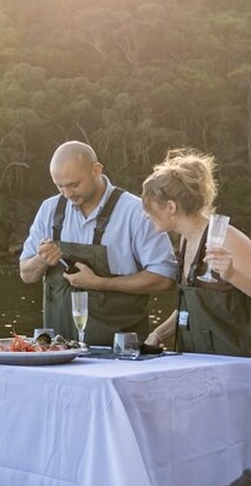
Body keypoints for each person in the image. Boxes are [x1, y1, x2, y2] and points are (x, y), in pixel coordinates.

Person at [140, 149, 251, 385]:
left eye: (148, 206)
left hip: (241, 377)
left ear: (171, 207)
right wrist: (158, 334)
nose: (145, 214)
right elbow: (192, 306)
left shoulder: (226, 238)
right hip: (202, 373)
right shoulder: (184, 240)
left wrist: (233, 275)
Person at [19, 140, 177, 345]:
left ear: (96, 169)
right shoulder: (49, 210)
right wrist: (42, 259)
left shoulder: (135, 212)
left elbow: (165, 279)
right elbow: (26, 274)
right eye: (60, 186)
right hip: (57, 353)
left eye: (74, 184)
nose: (67, 194)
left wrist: (100, 283)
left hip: (120, 353)